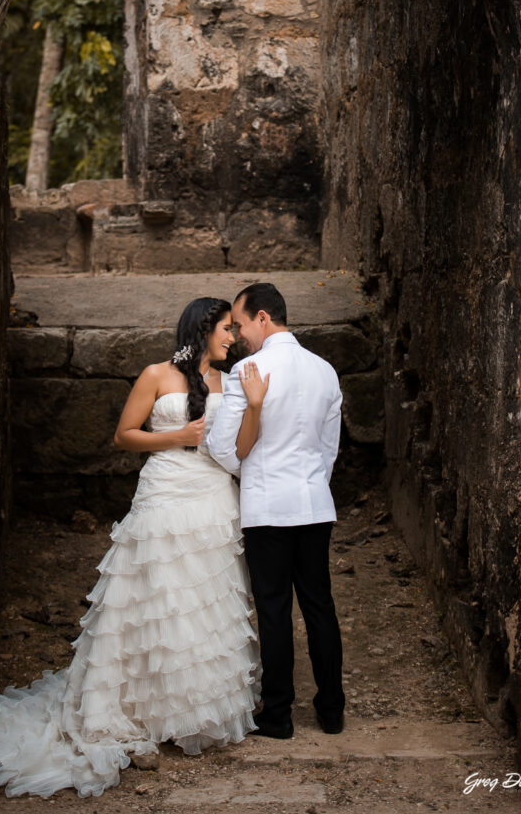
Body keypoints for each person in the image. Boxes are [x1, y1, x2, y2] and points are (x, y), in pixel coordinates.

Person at [0, 297, 261, 798]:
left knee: (203, 598)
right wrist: (178, 435)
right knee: (155, 594)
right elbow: (124, 436)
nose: (233, 337)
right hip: (164, 492)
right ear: (203, 328)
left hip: (211, 498)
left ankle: (192, 707)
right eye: (227, 328)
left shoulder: (233, 381)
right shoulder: (157, 374)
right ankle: (135, 705)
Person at [208, 282, 345, 740]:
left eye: (242, 324)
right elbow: (329, 449)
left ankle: (279, 715)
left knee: (273, 609)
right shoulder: (325, 370)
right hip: (314, 503)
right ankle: (331, 710)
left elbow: (225, 450)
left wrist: (254, 473)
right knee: (320, 606)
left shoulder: (248, 368)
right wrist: (309, 484)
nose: (239, 334)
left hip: (267, 506)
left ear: (263, 317)